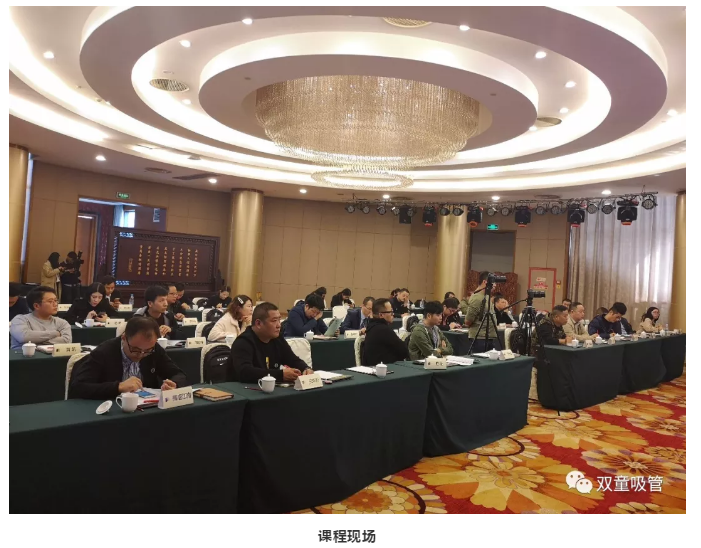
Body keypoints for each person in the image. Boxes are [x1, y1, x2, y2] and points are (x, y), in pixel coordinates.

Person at [68, 316, 187, 400]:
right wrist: (118, 387)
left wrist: (174, 384)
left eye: (147, 351)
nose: (141, 354)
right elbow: (78, 387)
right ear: (124, 338)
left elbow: (179, 374)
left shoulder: (154, 349)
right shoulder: (104, 352)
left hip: (146, 409)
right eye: (135, 349)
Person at [230, 302, 313, 383]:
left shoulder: (277, 339)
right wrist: (280, 375)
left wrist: (305, 368)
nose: (279, 325)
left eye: (279, 320)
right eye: (274, 321)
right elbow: (245, 372)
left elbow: (292, 359)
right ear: (258, 323)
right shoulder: (243, 342)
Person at [363, 298, 409, 365]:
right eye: (390, 312)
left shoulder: (371, 327)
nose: (393, 314)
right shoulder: (383, 330)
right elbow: (404, 351)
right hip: (384, 368)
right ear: (381, 315)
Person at [464, 272, 498, 352]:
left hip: (488, 337)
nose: (495, 285)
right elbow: (468, 321)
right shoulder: (477, 298)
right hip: (479, 338)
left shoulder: (486, 296)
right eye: (493, 282)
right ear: (485, 282)